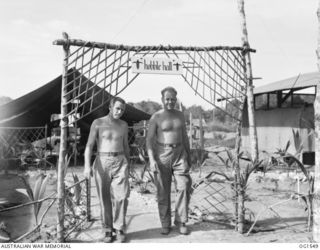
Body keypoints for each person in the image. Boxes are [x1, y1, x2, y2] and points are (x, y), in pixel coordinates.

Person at [83, 96, 130, 243]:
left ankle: (119, 227)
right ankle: (108, 230)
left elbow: (126, 145)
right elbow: (89, 146)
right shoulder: (98, 123)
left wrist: (128, 164)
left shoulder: (123, 125)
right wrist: (86, 166)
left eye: (122, 109)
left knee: (121, 196)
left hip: (120, 161)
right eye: (117, 108)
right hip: (102, 162)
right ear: (110, 107)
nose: (120, 112)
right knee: (104, 199)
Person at [146, 86, 192, 235]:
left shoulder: (180, 115)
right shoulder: (156, 117)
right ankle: (165, 223)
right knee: (163, 191)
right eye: (167, 99)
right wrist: (152, 159)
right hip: (162, 155)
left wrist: (189, 155)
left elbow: (184, 136)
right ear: (162, 100)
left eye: (173, 99)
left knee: (184, 186)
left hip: (180, 154)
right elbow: (149, 140)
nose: (170, 102)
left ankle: (181, 221)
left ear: (176, 99)